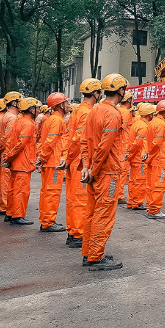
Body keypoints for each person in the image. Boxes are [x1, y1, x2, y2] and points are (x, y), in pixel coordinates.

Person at [80, 74, 129, 271]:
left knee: (92, 213)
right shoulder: (113, 114)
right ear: (120, 90)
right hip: (106, 172)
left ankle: (88, 252)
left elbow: (85, 141)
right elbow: (104, 147)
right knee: (103, 214)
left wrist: (87, 166)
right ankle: (96, 256)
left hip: (95, 170)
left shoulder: (94, 110)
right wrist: (94, 168)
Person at [65, 78, 101, 248]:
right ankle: (78, 234)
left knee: (73, 198)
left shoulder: (78, 110)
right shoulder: (87, 112)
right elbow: (79, 138)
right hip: (80, 161)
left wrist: (68, 158)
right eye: (99, 92)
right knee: (80, 199)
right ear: (95, 93)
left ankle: (73, 231)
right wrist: (71, 158)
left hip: (75, 160)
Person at [2, 97, 38, 225]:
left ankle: (10, 213)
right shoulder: (27, 123)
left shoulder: (19, 121)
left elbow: (13, 142)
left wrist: (9, 157)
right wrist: (9, 157)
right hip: (23, 163)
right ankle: (17, 216)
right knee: (20, 190)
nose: (38, 110)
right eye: (36, 107)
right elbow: (20, 144)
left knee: (13, 189)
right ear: (31, 109)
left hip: (18, 162)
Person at [36, 92, 69, 232]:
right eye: (66, 102)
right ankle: (48, 222)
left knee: (46, 192)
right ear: (60, 105)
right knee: (52, 192)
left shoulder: (52, 119)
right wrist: (43, 158)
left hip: (50, 161)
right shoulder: (57, 120)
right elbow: (50, 142)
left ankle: (46, 219)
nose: (68, 105)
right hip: (53, 162)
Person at [144, 100, 165, 220]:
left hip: (154, 160)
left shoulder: (153, 122)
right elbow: (157, 144)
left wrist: (148, 157)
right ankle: (154, 210)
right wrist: (150, 157)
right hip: (160, 160)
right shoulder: (161, 124)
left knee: (151, 185)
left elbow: (148, 141)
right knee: (158, 186)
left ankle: (151, 207)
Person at [0, 92, 22, 218]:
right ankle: (5, 206)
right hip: (8, 151)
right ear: (14, 103)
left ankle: (3, 205)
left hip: (4, 150)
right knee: (7, 182)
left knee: (4, 181)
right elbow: (8, 137)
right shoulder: (12, 118)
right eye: (19, 101)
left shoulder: (6, 116)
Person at [126, 101, 150, 211]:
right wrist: (132, 155)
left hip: (135, 157)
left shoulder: (137, 123)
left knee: (133, 180)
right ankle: (137, 202)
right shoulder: (144, 126)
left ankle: (132, 201)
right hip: (139, 158)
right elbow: (138, 144)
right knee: (140, 180)